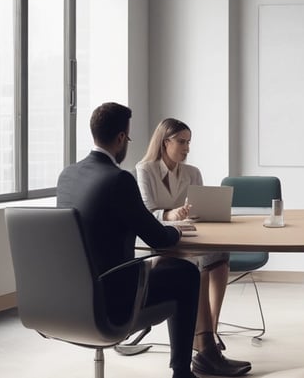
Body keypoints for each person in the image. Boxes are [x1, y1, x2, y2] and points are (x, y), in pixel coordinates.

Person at [56, 102, 201, 378]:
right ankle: (182, 371)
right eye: (128, 137)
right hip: (113, 299)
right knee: (187, 274)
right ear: (121, 138)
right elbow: (158, 237)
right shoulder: (119, 180)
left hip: (67, 298)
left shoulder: (67, 176)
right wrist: (178, 230)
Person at [136, 118, 250, 377]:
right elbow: (145, 212)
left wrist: (193, 214)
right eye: (182, 141)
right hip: (160, 240)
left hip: (190, 235)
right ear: (165, 142)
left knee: (219, 255)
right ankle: (206, 344)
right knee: (194, 264)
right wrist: (170, 214)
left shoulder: (192, 172)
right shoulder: (145, 169)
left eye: (189, 142)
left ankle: (208, 334)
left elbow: (201, 208)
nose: (187, 148)